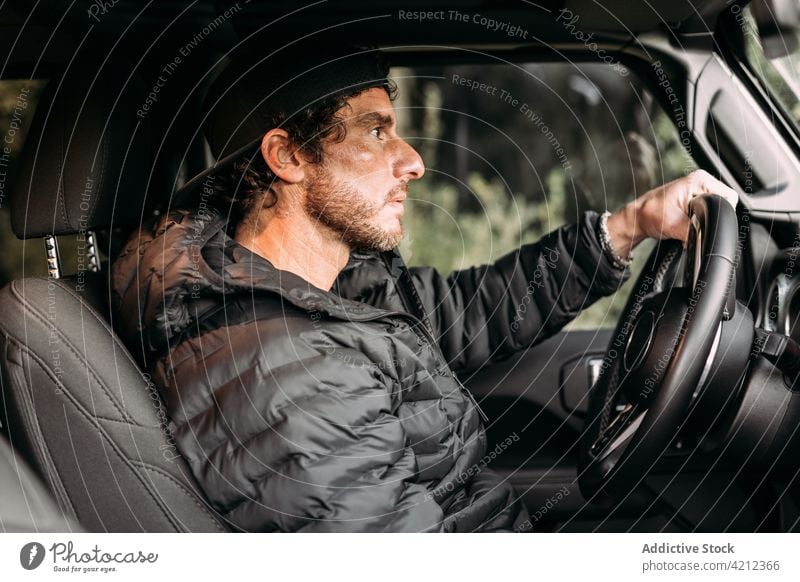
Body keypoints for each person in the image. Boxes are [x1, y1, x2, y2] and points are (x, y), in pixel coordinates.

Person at [112, 43, 738, 532]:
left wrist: (630, 226)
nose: (412, 159)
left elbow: (469, 310)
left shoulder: (328, 291)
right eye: (376, 132)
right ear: (288, 157)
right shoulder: (282, 372)